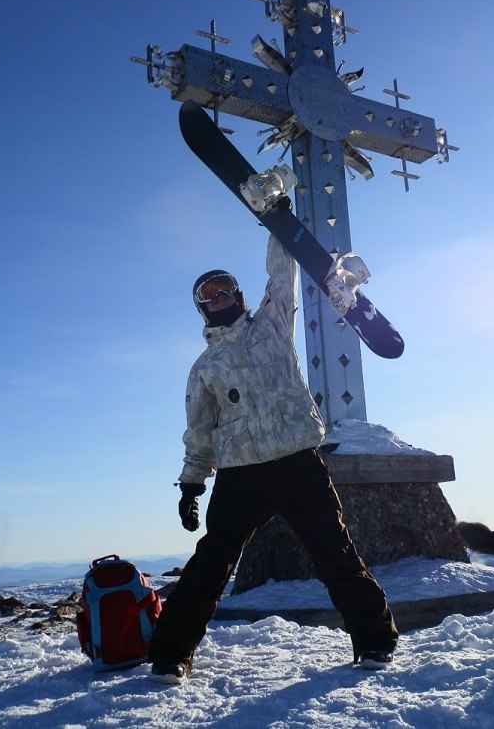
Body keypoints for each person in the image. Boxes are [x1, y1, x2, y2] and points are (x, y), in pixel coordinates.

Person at [148, 231, 398, 684]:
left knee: (333, 552)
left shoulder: (272, 321)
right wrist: (191, 484)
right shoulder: (204, 369)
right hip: (241, 474)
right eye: (209, 293)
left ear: (239, 294)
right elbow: (199, 432)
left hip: (298, 462)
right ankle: (170, 654)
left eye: (225, 287)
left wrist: (276, 220)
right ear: (201, 307)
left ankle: (375, 641)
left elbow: (282, 269)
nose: (219, 296)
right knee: (210, 563)